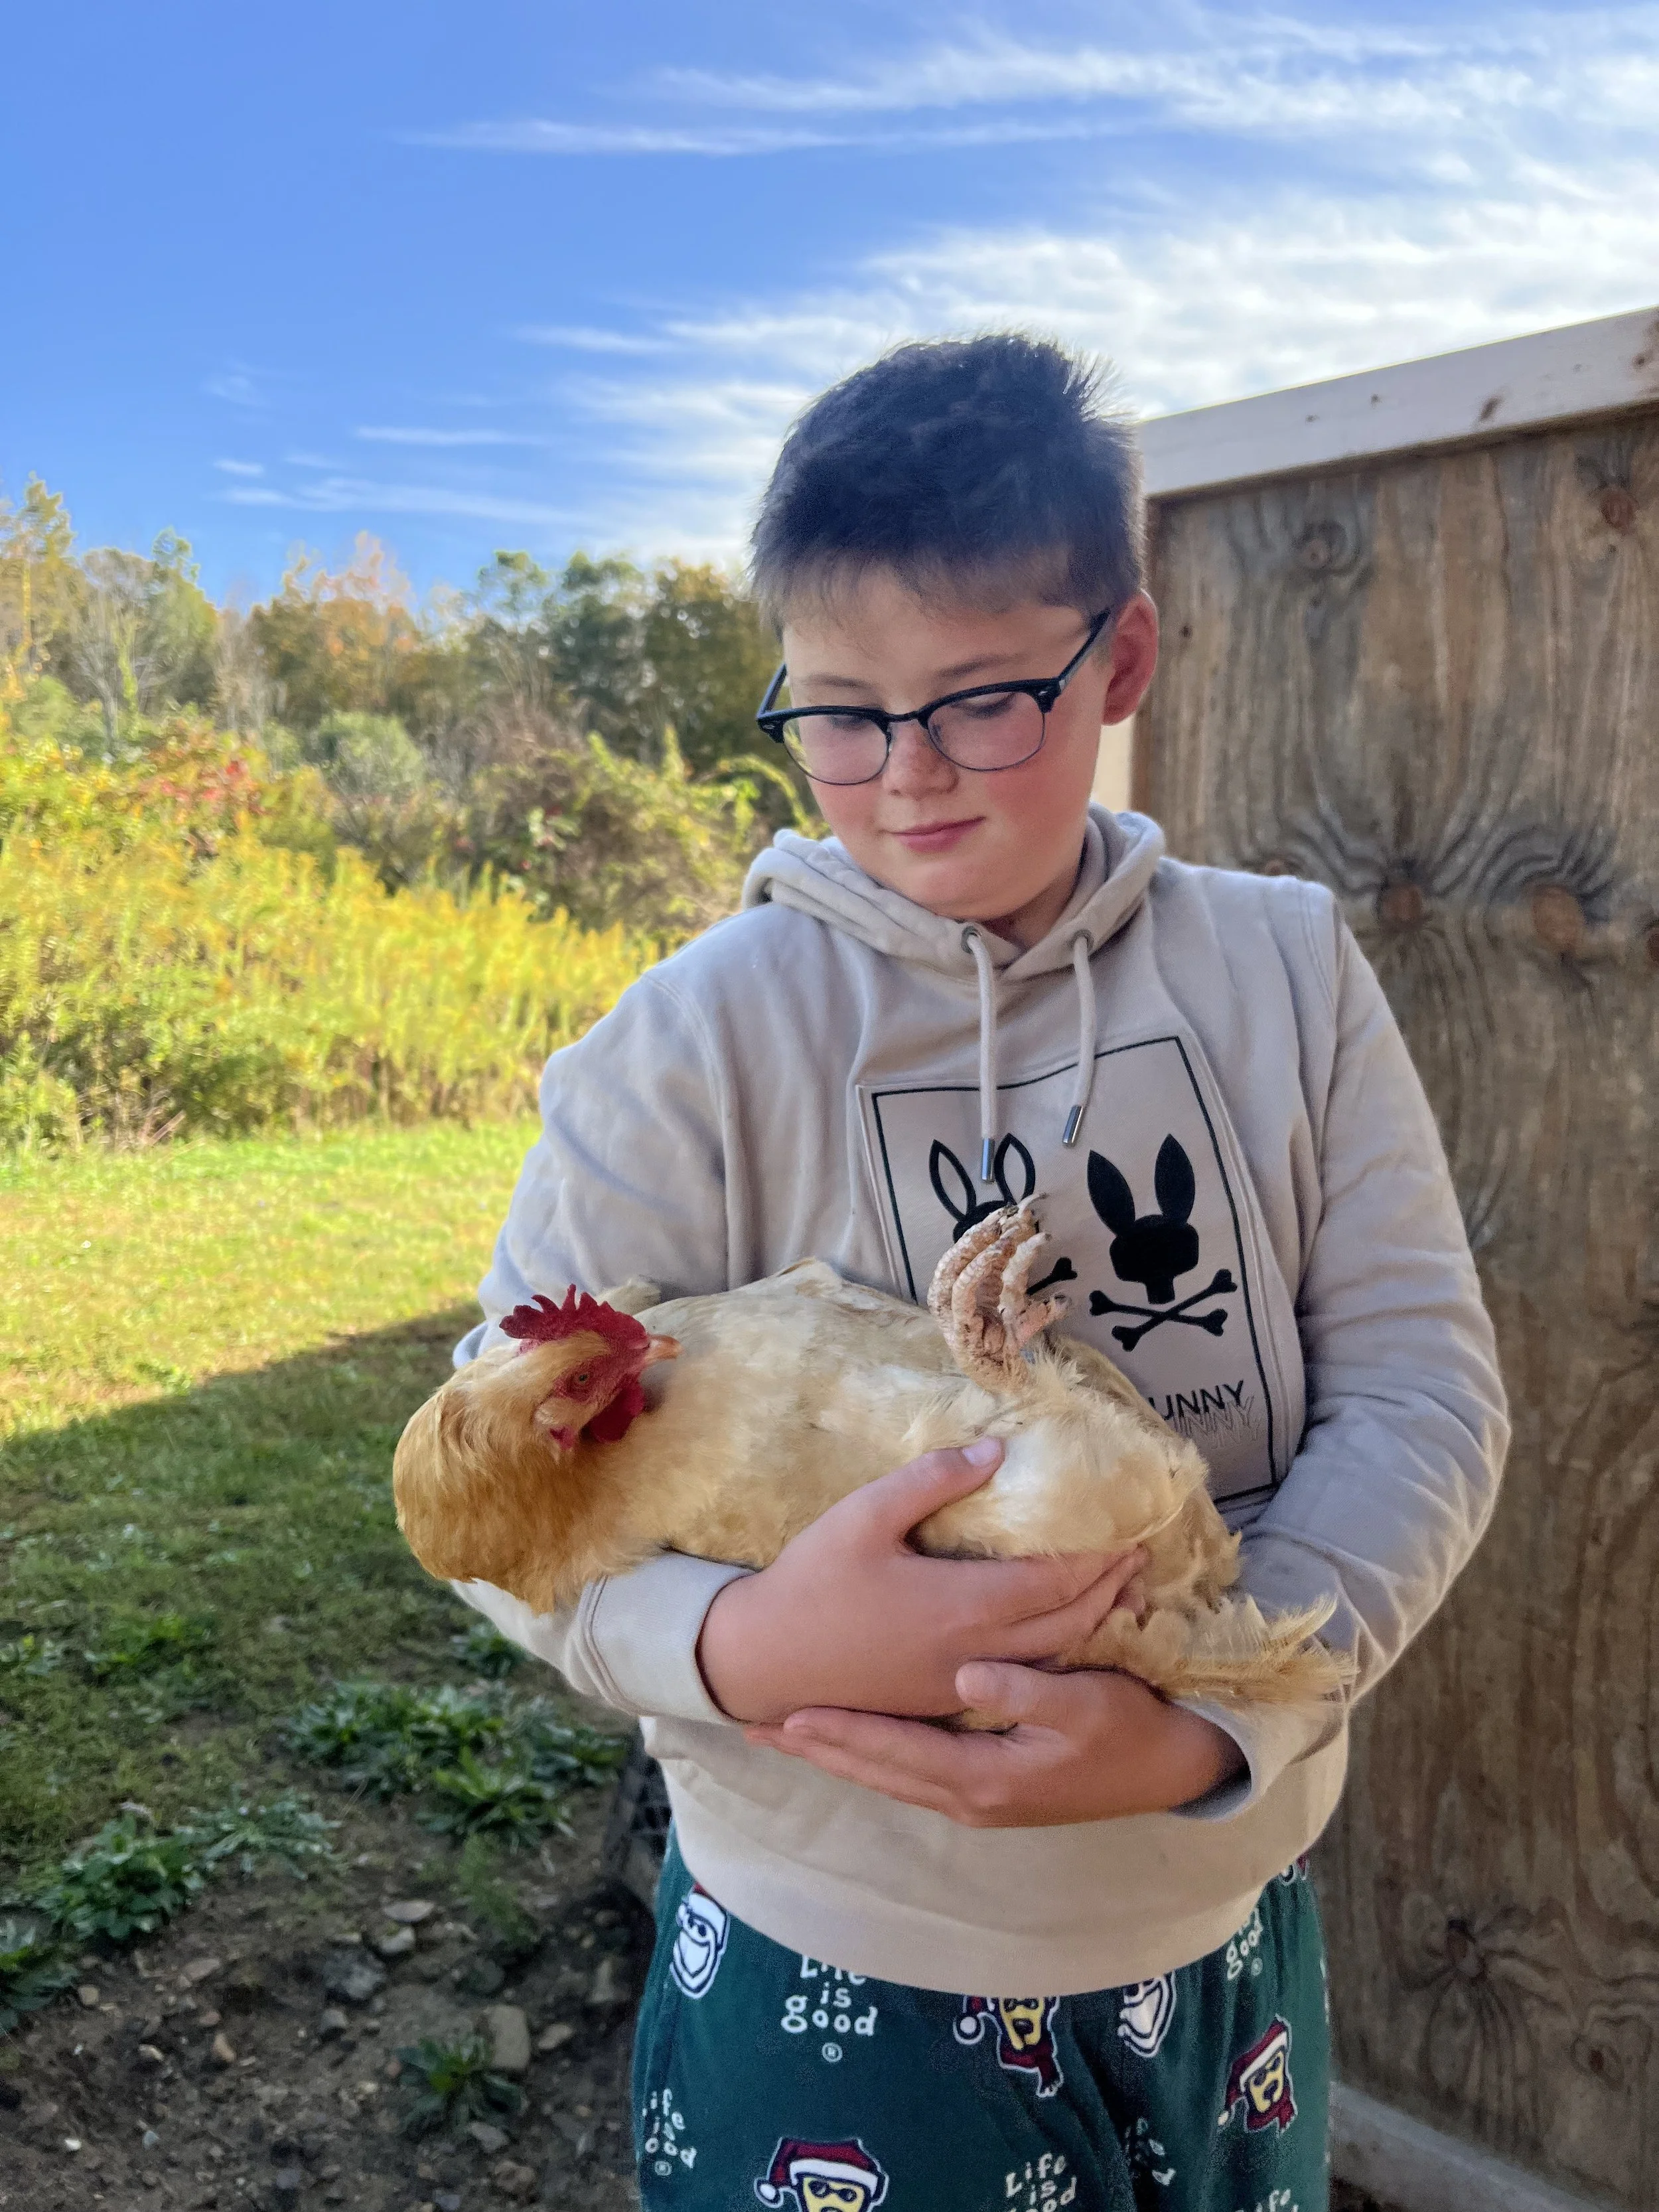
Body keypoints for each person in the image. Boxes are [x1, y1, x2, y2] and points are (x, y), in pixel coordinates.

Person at [453, 335, 1509, 2210]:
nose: (904, 774)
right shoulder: (688, 1047)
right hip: (831, 1940)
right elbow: (507, 1478)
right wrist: (738, 1645)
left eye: (981, 702)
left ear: (1118, 660)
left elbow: (1421, 1388)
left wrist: (1219, 1715)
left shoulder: (1282, 971)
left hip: (1218, 1901)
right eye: (840, 710)